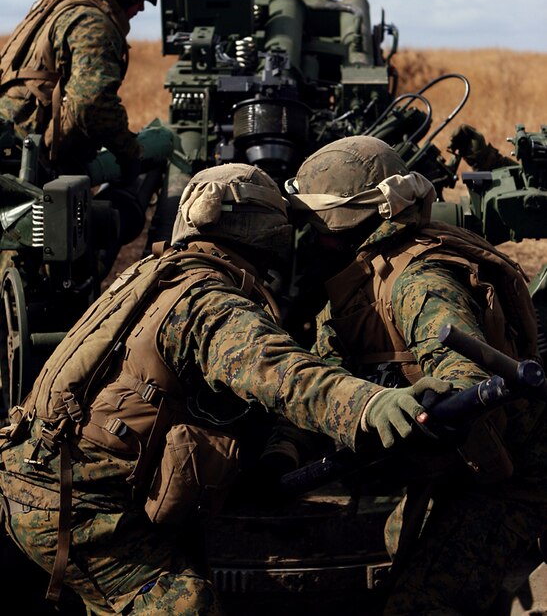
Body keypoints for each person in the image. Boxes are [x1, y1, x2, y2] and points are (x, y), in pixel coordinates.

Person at [0, 162, 450, 615]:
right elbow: (286, 377)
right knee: (188, 603)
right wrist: (371, 405)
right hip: (79, 510)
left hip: (40, 477)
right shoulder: (211, 305)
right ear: (265, 232)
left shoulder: (158, 273)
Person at [285, 135, 547, 616]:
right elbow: (323, 373)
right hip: (458, 471)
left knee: (419, 602)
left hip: (519, 476)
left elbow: (465, 377)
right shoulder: (358, 280)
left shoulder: (417, 281)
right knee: (392, 553)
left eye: (316, 221)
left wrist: (434, 405)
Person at [0, 0, 176, 182]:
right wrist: (131, 154)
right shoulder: (93, 24)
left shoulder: (58, 5)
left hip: (14, 147)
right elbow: (94, 104)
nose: (141, 8)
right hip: (28, 163)